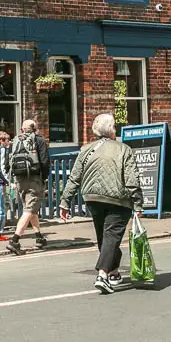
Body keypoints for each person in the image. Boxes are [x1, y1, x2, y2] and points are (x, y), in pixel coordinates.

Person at [59, 113, 143, 295]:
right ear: (111, 129)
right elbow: (131, 179)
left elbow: (74, 177)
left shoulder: (86, 149)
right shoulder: (124, 149)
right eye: (114, 127)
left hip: (92, 198)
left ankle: (113, 272)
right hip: (118, 199)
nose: (115, 129)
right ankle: (102, 275)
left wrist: (65, 202)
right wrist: (138, 203)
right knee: (111, 236)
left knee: (104, 237)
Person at [2, 119, 51, 255]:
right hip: (34, 178)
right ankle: (15, 240)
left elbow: (7, 162)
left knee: (30, 209)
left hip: (19, 179)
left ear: (22, 129)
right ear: (35, 129)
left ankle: (39, 237)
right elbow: (45, 161)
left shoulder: (15, 141)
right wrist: (44, 177)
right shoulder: (39, 140)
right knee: (29, 210)